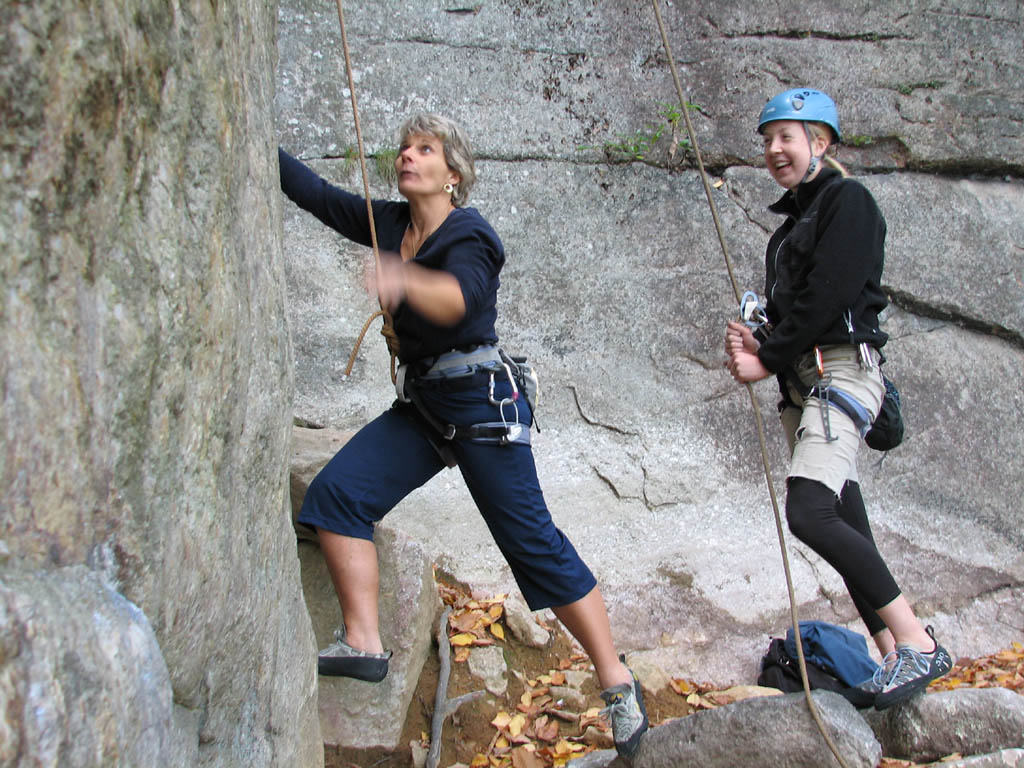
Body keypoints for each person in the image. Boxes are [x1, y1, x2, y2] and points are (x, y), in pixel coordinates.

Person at [279, 113, 647, 757]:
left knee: (532, 544)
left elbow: (460, 301)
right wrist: (257, 140)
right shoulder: (392, 224)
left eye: (424, 149)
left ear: (453, 174)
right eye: (403, 148)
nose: (407, 156)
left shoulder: (470, 232)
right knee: (338, 497)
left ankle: (616, 681)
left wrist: (404, 279)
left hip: (481, 404)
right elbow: (315, 195)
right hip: (424, 407)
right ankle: (364, 641)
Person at [724, 88, 952, 710]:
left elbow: (830, 295)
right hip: (808, 386)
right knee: (847, 519)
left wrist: (766, 356)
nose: (774, 149)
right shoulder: (793, 226)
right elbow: (799, 309)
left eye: (788, 137)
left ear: (820, 144)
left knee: (810, 513)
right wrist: (759, 338)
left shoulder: (848, 202)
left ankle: (918, 644)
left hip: (841, 376)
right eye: (768, 138)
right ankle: (889, 655)